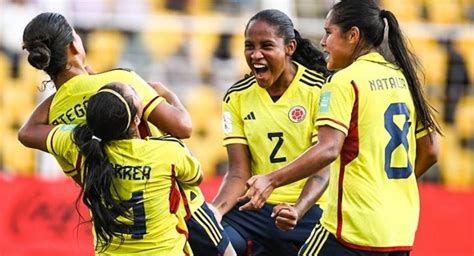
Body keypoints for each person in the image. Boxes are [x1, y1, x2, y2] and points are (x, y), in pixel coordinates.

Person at [22, 12, 235, 256]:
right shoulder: (120, 81)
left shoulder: (54, 116)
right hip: (179, 208)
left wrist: (66, 96)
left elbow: (27, 133)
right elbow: (182, 127)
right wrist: (165, 93)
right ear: (73, 45)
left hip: (116, 224)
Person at [240, 1, 441, 255]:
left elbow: (328, 149)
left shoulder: (344, 81)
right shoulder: (404, 78)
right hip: (400, 227)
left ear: (353, 36)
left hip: (352, 229)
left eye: (328, 32)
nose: (323, 42)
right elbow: (431, 150)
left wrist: (271, 179)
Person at [18, 82, 202, 255]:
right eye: (134, 92)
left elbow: (27, 132)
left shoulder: (78, 147)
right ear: (137, 120)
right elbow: (196, 177)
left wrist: (67, 89)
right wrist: (169, 95)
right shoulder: (166, 152)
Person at [211, 9, 331, 255]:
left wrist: (297, 209)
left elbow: (323, 170)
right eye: (249, 46)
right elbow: (238, 172)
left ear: (289, 48)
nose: (255, 55)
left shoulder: (320, 90)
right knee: (208, 238)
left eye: (266, 46)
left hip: (309, 209)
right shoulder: (236, 96)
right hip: (254, 209)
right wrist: (216, 211)